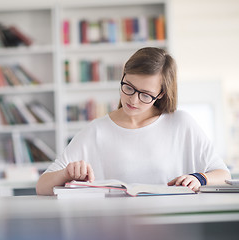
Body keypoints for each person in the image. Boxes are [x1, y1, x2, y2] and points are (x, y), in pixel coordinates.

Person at [36, 47, 231, 196]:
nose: (133, 99)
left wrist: (199, 178)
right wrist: (66, 174)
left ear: (161, 94)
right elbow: (42, 186)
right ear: (123, 77)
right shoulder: (97, 131)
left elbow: (224, 175)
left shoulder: (181, 123)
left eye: (145, 94)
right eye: (128, 87)